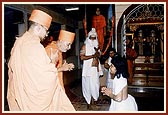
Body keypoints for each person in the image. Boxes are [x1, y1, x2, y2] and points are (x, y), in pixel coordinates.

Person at [7, 9, 75, 111]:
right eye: (46, 31)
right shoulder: (35, 46)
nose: (46, 35)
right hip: (33, 99)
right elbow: (44, 77)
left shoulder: (18, 42)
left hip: (20, 93)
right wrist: (53, 63)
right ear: (38, 28)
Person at [80, 28, 103, 110]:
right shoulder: (84, 46)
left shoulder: (97, 46)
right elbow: (82, 57)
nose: (92, 39)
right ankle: (88, 103)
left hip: (94, 69)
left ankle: (94, 101)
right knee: (87, 86)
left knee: (95, 85)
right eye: (91, 38)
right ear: (88, 38)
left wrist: (98, 54)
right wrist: (92, 56)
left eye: (94, 38)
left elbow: (99, 56)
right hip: (87, 70)